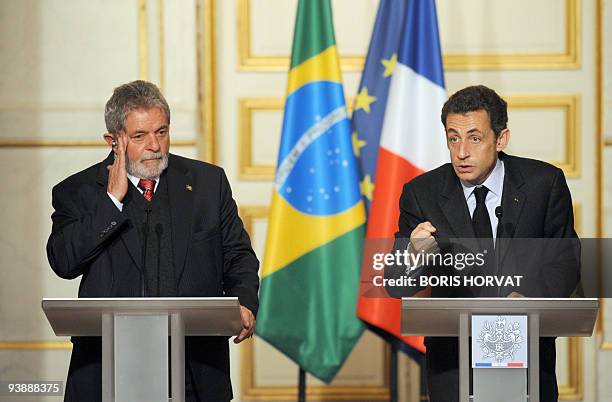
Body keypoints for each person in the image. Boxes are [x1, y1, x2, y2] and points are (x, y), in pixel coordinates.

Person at [46, 80, 259, 402]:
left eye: (161, 132)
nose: (155, 146)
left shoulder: (206, 183)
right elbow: (64, 262)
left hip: (194, 365)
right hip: (109, 365)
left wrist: (244, 302)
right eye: (140, 136)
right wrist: (111, 202)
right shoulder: (78, 191)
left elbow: (237, 254)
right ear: (113, 141)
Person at [389, 85, 579, 402]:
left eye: (474, 138)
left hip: (528, 352)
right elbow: (395, 284)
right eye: (453, 138)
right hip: (453, 362)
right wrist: (414, 256)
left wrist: (529, 299)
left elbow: (566, 261)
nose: (462, 151)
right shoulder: (421, 192)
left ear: (500, 138)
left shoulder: (544, 183)